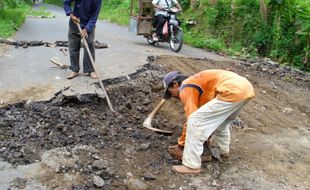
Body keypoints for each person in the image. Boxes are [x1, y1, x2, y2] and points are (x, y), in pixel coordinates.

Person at [162, 69, 255, 174]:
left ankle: (191, 166)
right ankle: (222, 150)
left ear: (175, 84)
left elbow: (192, 119)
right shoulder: (198, 83)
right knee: (222, 123)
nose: (174, 97)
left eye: (171, 93)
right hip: (244, 88)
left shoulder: (185, 87)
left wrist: (181, 144)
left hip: (231, 90)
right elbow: (209, 117)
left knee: (194, 121)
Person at [64, 0, 102, 79]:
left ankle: (90, 70)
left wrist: (87, 29)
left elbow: (94, 16)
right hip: (75, 22)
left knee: (89, 44)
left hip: (89, 24)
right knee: (73, 46)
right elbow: (66, 2)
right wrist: (71, 15)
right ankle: (75, 70)